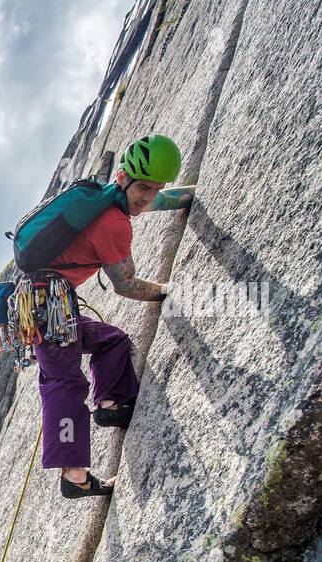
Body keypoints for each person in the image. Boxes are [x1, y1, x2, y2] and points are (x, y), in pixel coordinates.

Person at [38, 133, 193, 498]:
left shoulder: (106, 202)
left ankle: (110, 404)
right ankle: (74, 477)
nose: (148, 197)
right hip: (48, 307)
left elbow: (149, 201)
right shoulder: (112, 222)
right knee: (63, 382)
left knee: (111, 340)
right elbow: (126, 286)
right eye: (144, 188)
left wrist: (190, 194)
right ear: (123, 177)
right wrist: (168, 291)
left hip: (50, 303)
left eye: (157, 189)